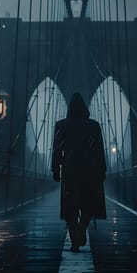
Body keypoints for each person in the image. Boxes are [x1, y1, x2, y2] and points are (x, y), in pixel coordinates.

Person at [51, 92, 106, 252]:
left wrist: (56, 170)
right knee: (88, 204)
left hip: (70, 172)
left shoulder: (61, 126)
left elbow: (56, 150)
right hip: (90, 172)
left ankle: (75, 240)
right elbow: (99, 151)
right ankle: (82, 228)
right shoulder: (94, 126)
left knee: (70, 207)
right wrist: (102, 171)